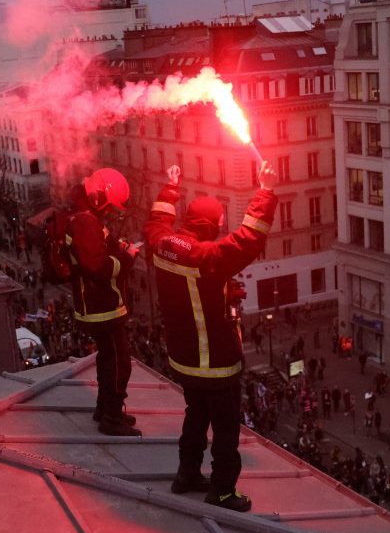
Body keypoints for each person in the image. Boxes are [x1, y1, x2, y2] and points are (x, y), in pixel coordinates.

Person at [144, 162, 278, 512]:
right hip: (215, 362)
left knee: (195, 415)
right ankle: (222, 490)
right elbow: (249, 239)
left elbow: (156, 221)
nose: (222, 228)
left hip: (184, 360)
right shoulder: (206, 256)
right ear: (210, 225)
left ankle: (186, 474)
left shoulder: (161, 243)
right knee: (225, 428)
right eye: (219, 223)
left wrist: (170, 189)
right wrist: (264, 190)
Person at [66, 168, 142, 437]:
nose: (109, 212)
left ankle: (104, 408)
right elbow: (97, 266)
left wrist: (122, 247)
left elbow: (103, 241)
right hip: (101, 307)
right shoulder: (86, 221)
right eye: (108, 207)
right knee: (120, 362)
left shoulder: (85, 216)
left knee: (109, 359)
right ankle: (111, 417)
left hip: (100, 306)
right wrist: (127, 260)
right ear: (99, 198)